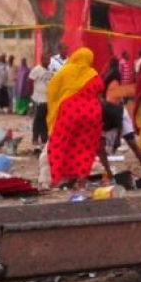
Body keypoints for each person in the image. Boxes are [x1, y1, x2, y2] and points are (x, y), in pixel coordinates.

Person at [45, 48, 102, 188]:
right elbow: (100, 91)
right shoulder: (93, 74)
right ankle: (81, 180)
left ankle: (57, 179)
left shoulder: (65, 70)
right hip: (92, 113)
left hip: (70, 111)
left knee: (59, 144)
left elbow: (51, 89)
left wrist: (57, 102)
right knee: (85, 147)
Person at [98, 100, 141, 181]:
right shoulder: (91, 111)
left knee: (132, 143)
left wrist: (117, 140)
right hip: (105, 123)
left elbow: (119, 124)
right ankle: (109, 173)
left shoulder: (113, 109)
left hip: (120, 120)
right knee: (100, 148)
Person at [29, 53, 52, 150]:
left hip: (47, 99)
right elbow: (30, 81)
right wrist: (32, 94)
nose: (48, 61)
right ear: (41, 59)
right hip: (39, 99)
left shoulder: (49, 71)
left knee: (44, 120)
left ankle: (44, 138)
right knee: (38, 119)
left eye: (49, 59)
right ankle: (35, 138)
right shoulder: (36, 69)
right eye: (46, 59)